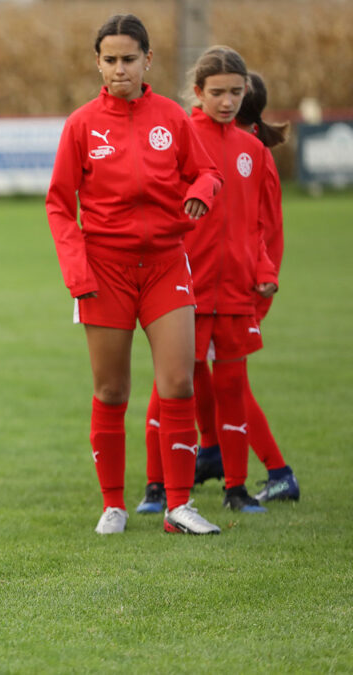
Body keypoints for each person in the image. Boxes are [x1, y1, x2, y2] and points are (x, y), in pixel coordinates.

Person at [46, 14, 223, 535]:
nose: (119, 69)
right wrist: (77, 271)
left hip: (167, 264)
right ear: (97, 63)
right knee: (112, 391)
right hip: (104, 272)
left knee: (177, 380)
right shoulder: (81, 125)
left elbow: (208, 172)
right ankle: (113, 506)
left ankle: (178, 506)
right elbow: (59, 205)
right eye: (110, 60)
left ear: (148, 60)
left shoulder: (172, 117)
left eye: (129, 59)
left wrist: (198, 193)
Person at [135, 48, 279, 515]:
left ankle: (236, 488)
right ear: (197, 92)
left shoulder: (253, 150)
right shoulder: (179, 135)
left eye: (236, 92)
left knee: (233, 391)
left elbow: (257, 226)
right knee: (171, 387)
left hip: (235, 292)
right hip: (183, 290)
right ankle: (156, 486)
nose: (227, 101)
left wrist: (264, 272)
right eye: (217, 92)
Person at [235, 72, 300, 502]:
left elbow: (262, 232)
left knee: (228, 383)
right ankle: (208, 454)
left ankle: (278, 473)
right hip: (231, 283)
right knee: (194, 378)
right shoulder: (231, 149)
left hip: (246, 288)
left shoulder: (253, 156)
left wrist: (262, 281)